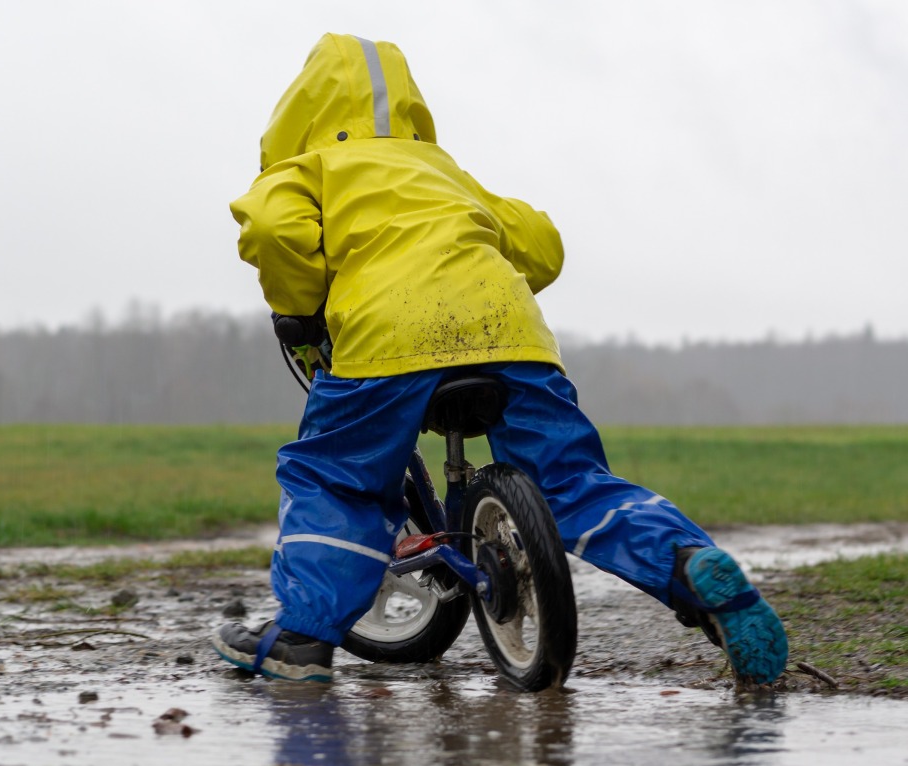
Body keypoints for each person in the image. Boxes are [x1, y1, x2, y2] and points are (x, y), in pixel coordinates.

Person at [214, 33, 788, 686]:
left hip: (383, 336)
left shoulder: (305, 168)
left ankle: (303, 639)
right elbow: (542, 244)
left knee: (335, 478)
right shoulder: (442, 172)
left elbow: (275, 231)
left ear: (302, 112)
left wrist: (304, 307)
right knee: (573, 482)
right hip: (509, 331)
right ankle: (688, 562)